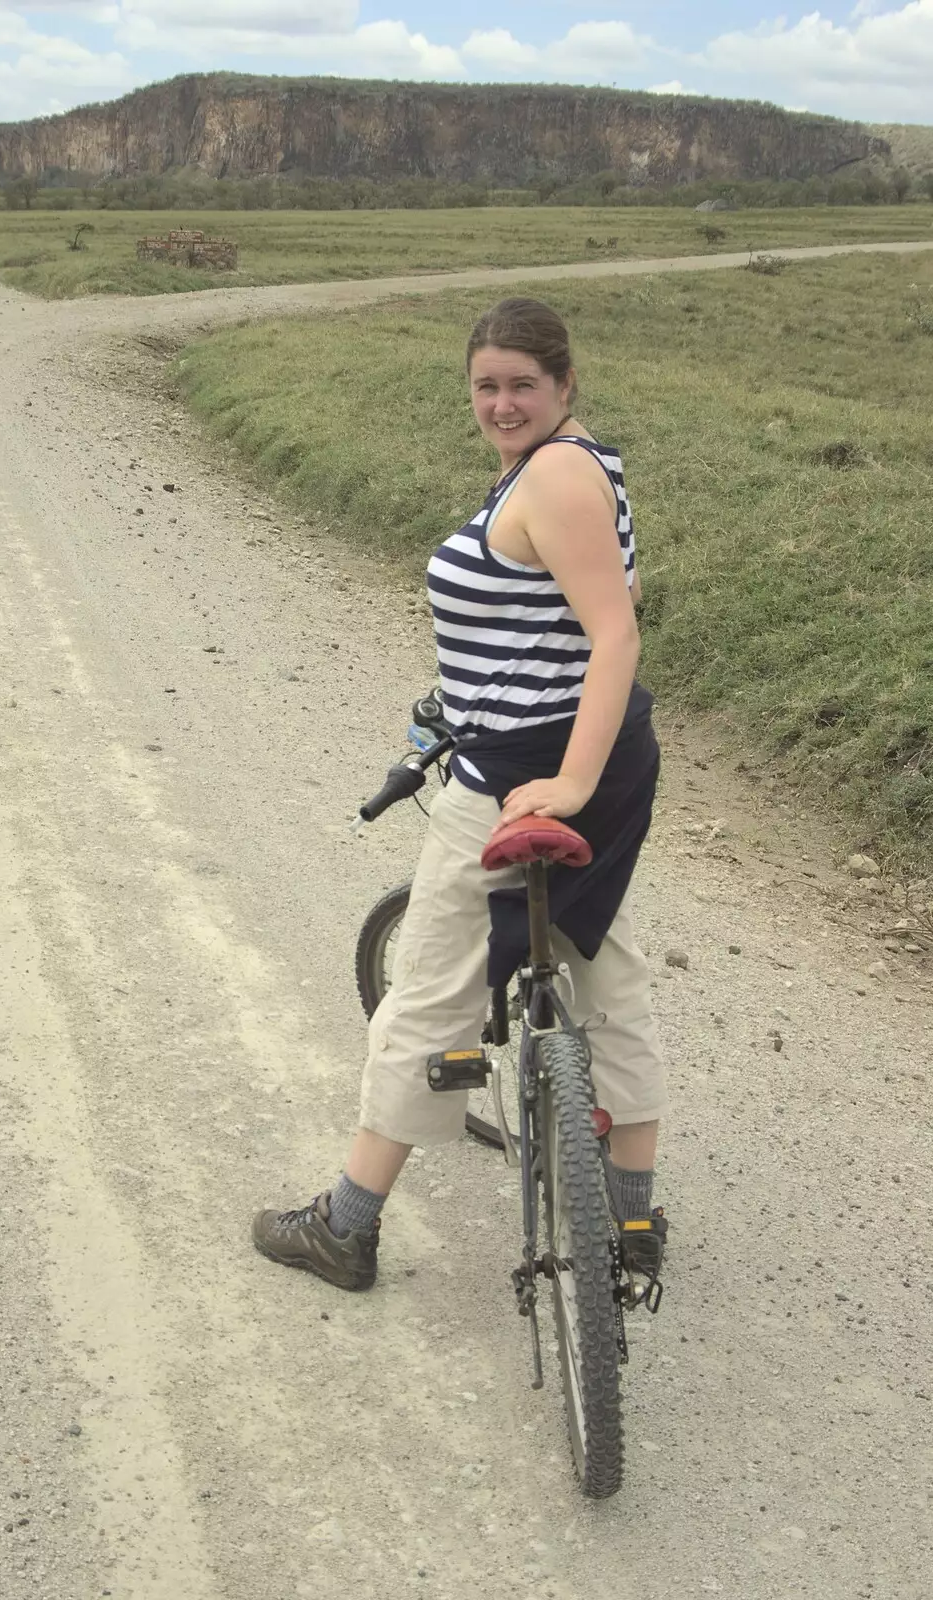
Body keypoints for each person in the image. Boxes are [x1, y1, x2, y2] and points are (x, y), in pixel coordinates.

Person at [252, 297, 667, 1291]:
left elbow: (614, 633)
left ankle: (344, 1227)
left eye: (522, 382)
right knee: (604, 977)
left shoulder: (554, 474)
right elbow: (574, 616)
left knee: (425, 994)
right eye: (484, 384)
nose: (501, 401)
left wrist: (560, 780)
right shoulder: (577, 465)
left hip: (524, 775)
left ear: (565, 384)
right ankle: (635, 1218)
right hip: (584, 757)